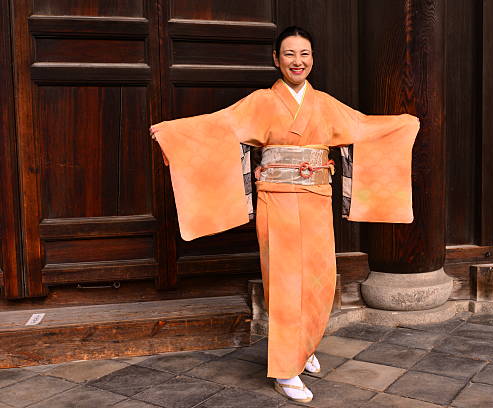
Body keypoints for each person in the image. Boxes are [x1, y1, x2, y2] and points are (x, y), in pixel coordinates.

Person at [150, 26, 419, 403]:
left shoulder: (324, 103)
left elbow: (362, 126)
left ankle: (304, 344)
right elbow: (220, 125)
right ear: (276, 59)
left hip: (315, 199)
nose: (298, 61)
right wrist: (172, 133)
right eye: (289, 54)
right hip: (277, 200)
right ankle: (284, 369)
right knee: (286, 283)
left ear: (313, 59)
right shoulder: (261, 101)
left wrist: (404, 123)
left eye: (305, 54)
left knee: (321, 281)